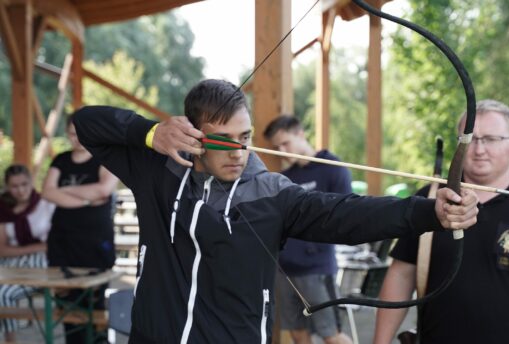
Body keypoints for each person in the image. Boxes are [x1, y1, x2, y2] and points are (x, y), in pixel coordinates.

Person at [71, 79, 478, 343]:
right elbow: (86, 122)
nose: (239, 150)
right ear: (195, 138)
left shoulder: (271, 193)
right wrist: (150, 131)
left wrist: (430, 213)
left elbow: (346, 215)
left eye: (244, 136)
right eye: (224, 139)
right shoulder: (158, 171)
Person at [373, 99, 509, 344]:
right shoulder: (430, 201)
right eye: (470, 139)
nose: (479, 149)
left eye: (491, 139)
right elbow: (401, 275)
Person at [264, 115, 353, 344]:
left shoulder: (333, 169)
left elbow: (345, 217)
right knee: (297, 333)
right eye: (277, 147)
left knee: (332, 335)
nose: (282, 151)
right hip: (284, 271)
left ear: (300, 134)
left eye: (285, 143)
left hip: (317, 269)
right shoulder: (286, 178)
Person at [41, 115, 119, 344]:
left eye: (81, 134)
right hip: (63, 241)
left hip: (95, 242)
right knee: (66, 302)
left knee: (93, 302)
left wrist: (65, 192)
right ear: (67, 134)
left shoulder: (105, 157)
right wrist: (86, 198)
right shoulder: (61, 160)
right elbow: (47, 192)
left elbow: (104, 190)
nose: (77, 139)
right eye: (72, 134)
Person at [0, 165, 55, 343]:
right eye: (15, 186)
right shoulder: (3, 209)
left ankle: (10, 340)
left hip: (40, 263)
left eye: (24, 184)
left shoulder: (46, 204)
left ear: (32, 182)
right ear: (7, 187)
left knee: (3, 294)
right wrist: (37, 246)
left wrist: (20, 250)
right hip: (9, 261)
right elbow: (2, 249)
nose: (21, 190)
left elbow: (53, 244)